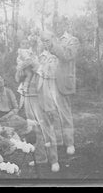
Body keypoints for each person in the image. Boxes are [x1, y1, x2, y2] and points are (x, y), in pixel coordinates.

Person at [18, 35, 61, 172]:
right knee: (35, 130)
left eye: (43, 42)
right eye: (35, 42)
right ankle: (41, 157)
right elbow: (19, 76)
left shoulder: (51, 58)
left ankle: (54, 160)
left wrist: (36, 66)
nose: (38, 44)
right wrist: (23, 68)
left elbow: (50, 74)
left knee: (47, 130)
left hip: (42, 100)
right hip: (28, 99)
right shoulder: (25, 56)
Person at [45, 31, 80, 155]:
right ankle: (59, 140)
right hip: (49, 82)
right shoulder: (53, 39)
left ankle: (69, 143)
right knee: (53, 113)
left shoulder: (73, 40)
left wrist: (52, 45)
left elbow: (66, 56)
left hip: (62, 83)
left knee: (65, 114)